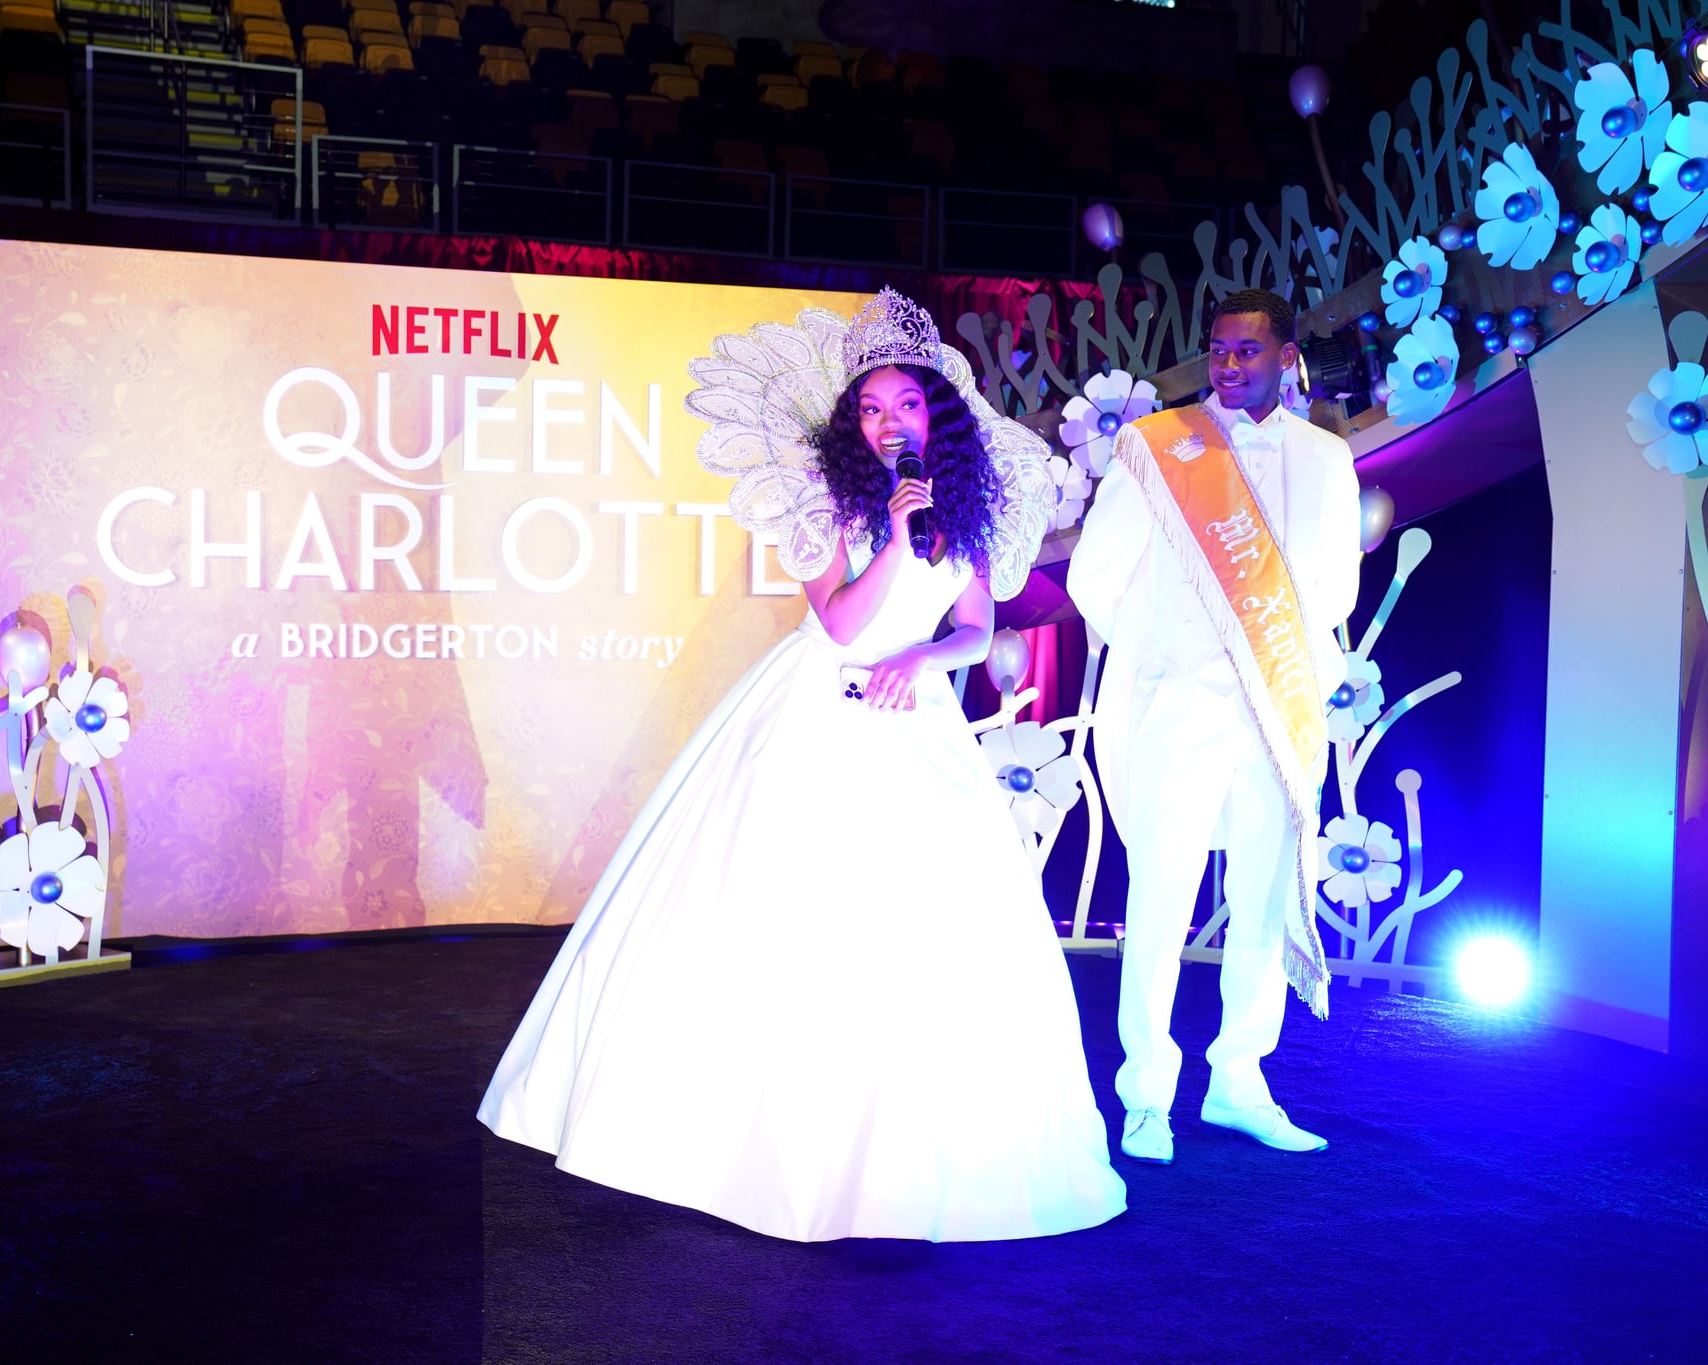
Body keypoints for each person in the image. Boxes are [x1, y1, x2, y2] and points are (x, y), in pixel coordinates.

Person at [478, 290, 1128, 1242]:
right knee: (793, 908)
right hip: (824, 704)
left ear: (934, 411)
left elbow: (978, 625)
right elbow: (843, 624)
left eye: (903, 405)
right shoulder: (823, 497)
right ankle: (759, 1149)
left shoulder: (972, 497)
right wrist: (896, 543)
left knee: (936, 923)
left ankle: (914, 1155)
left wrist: (925, 659)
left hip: (915, 710)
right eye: (869, 409)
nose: (886, 422)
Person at [1067, 288, 1362, 1164]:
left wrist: (1269, 653)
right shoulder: (1160, 450)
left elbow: (1335, 592)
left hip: (1277, 707)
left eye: (1247, 352)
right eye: (1218, 351)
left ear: (1286, 355)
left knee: (1262, 903)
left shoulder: (1325, 457)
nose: (1229, 367)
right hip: (1182, 706)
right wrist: (1168, 654)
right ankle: (1146, 1094)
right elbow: (1095, 575)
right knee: (1159, 903)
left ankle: (1240, 1082)